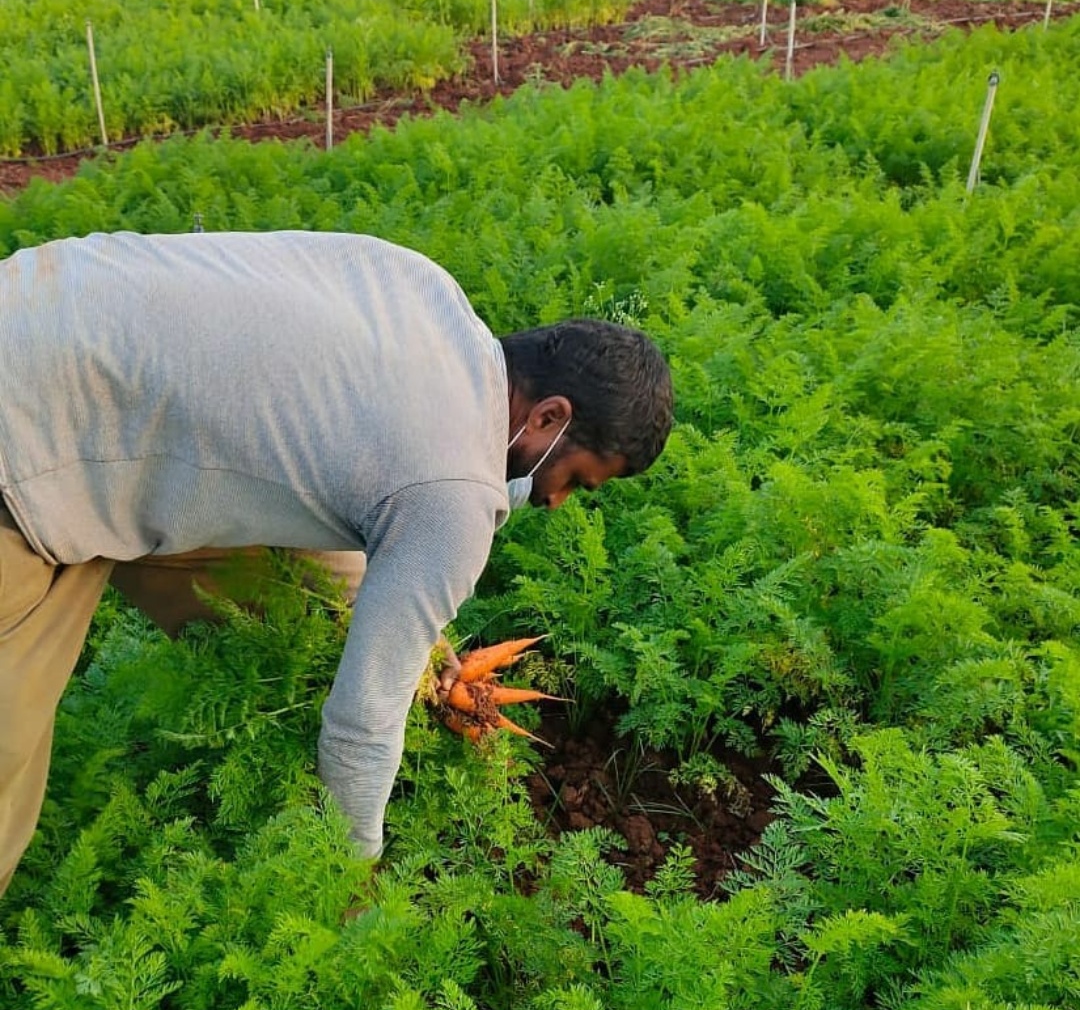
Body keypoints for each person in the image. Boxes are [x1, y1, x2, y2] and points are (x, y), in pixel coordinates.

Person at [0, 230, 673, 894]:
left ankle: (251, 743)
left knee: (309, 601)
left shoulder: (429, 296)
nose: (556, 503)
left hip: (50, 298)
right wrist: (350, 872)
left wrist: (418, 648)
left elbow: (447, 470)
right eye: (579, 481)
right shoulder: (448, 501)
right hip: (30, 427)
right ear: (551, 415)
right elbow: (365, 720)